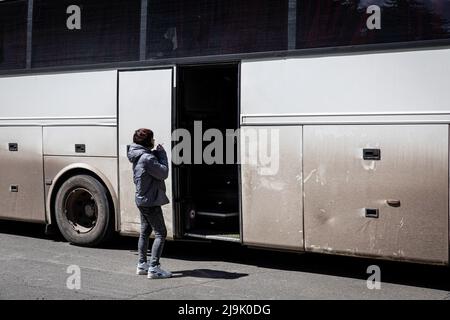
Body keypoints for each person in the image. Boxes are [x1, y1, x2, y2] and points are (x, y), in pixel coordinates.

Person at [127, 128, 172, 279]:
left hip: (142, 199)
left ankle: (142, 264)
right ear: (147, 141)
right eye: (152, 139)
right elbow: (163, 173)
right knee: (161, 233)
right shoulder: (147, 158)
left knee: (145, 231)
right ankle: (154, 267)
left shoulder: (138, 155)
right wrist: (162, 155)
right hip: (150, 201)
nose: (154, 141)